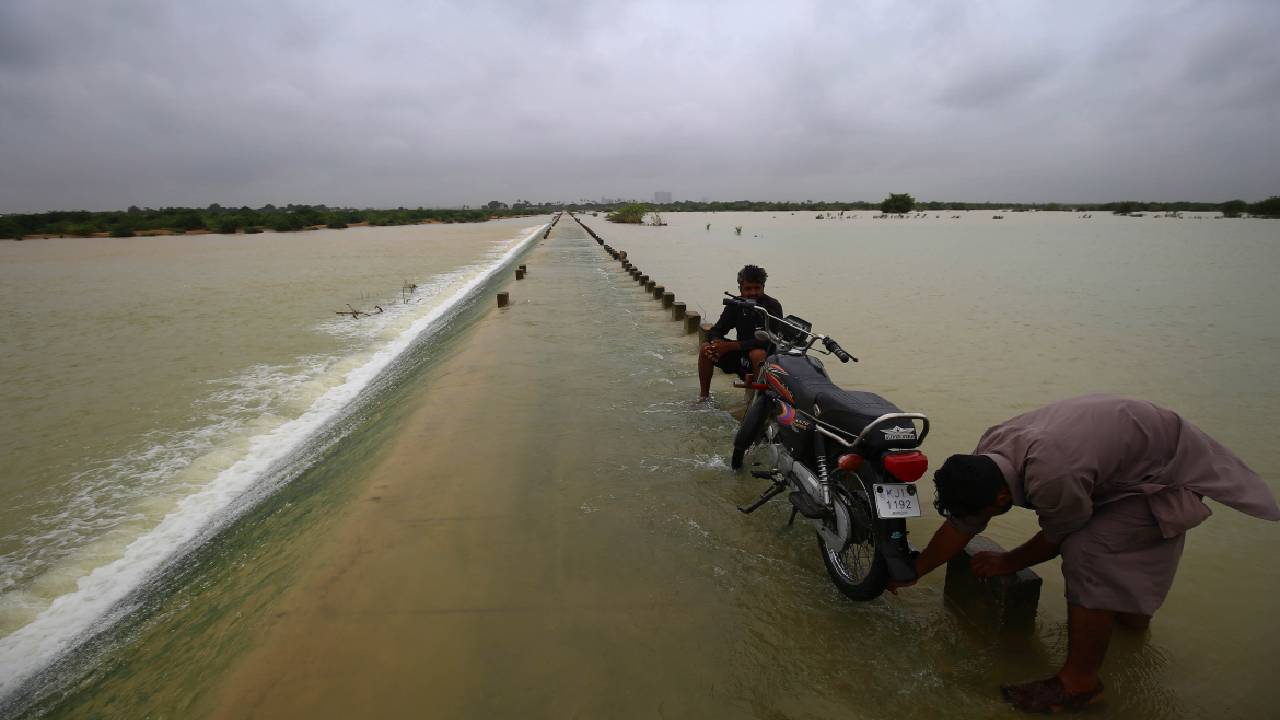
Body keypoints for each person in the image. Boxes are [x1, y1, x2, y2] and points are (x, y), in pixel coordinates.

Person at [894, 394, 1280, 713]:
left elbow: (1061, 534)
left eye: (985, 511)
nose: (977, 520)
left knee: (1088, 552)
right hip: (1130, 455)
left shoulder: (1052, 475)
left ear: (1000, 496)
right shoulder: (989, 451)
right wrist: (916, 569)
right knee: (1121, 582)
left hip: (1164, 473)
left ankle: (1079, 683)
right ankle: (1127, 629)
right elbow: (963, 524)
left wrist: (1009, 561)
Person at [697, 265, 783, 402]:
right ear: (740, 288)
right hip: (740, 357)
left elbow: (769, 341)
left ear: (763, 287)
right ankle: (703, 398)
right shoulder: (735, 305)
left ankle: (759, 403)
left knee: (757, 354)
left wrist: (731, 346)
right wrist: (716, 344)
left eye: (757, 288)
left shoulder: (772, 306)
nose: (753, 292)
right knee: (705, 348)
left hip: (763, 360)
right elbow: (717, 330)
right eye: (748, 289)